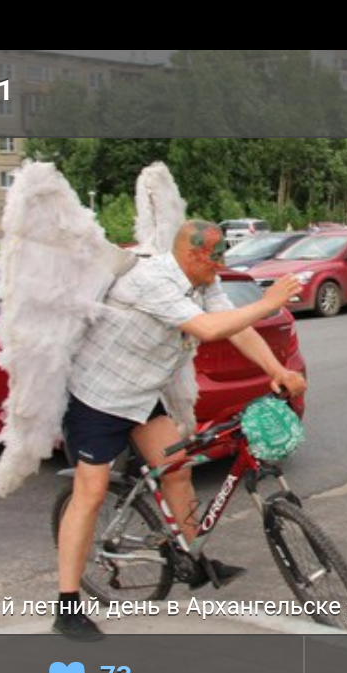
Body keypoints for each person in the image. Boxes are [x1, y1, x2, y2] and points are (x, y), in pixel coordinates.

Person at [54, 220, 305, 640]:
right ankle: (67, 605)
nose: (222, 263)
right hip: (97, 398)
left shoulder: (202, 282)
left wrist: (276, 370)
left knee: (177, 467)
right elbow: (207, 329)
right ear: (193, 256)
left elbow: (234, 325)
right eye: (217, 255)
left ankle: (192, 559)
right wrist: (269, 301)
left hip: (143, 396)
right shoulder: (151, 281)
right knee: (91, 492)